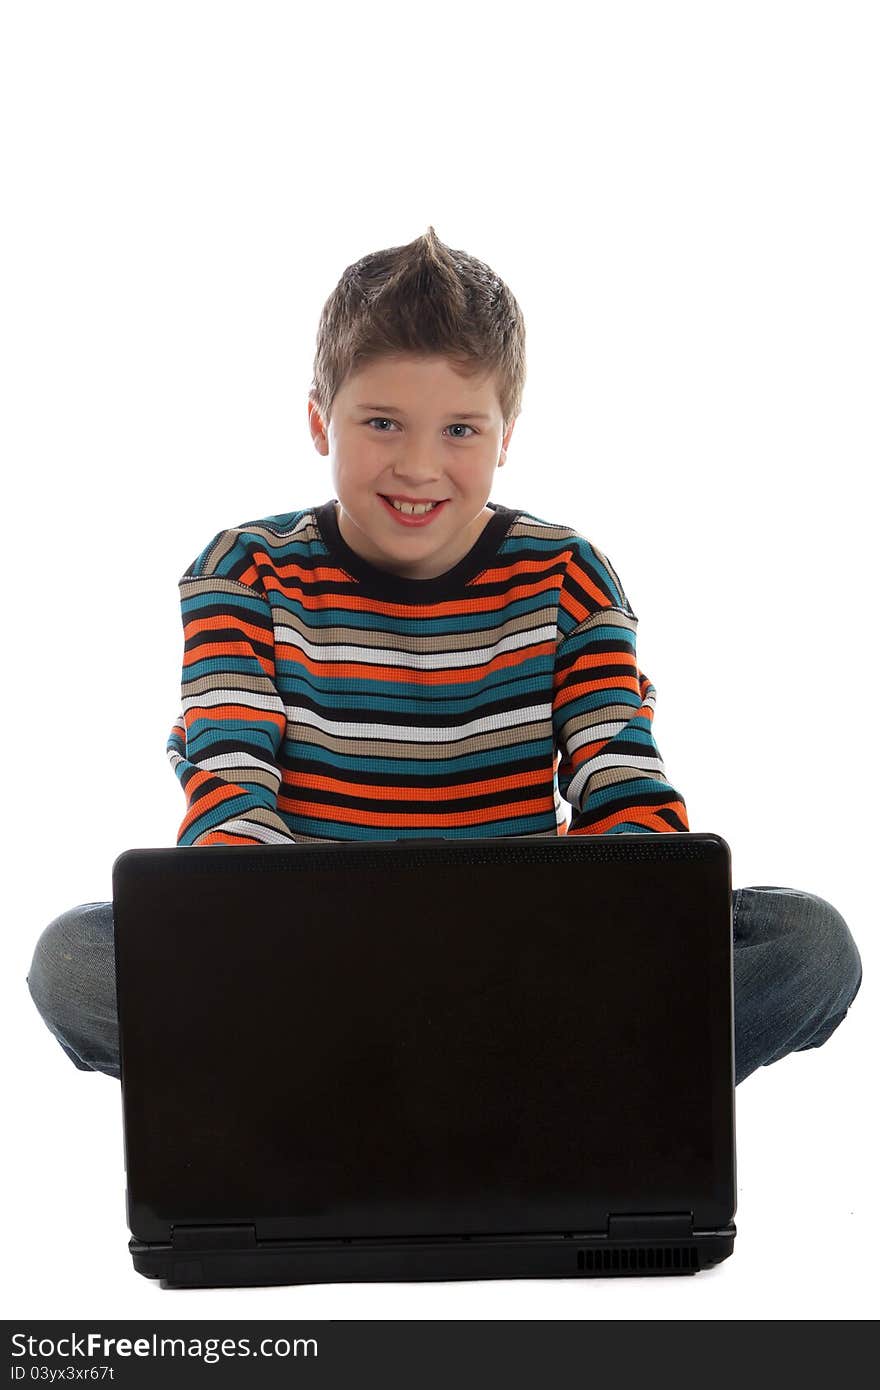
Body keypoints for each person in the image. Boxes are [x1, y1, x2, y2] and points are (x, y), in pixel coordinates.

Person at [27, 225, 862, 1085]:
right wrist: (334, 963)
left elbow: (624, 785)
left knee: (807, 945)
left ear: (507, 435)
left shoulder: (566, 578)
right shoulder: (245, 572)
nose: (420, 465)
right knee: (77, 960)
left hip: (523, 970)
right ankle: (483, 1094)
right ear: (321, 419)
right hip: (309, 967)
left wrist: (615, 927)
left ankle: (424, 1093)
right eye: (383, 422)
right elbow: (229, 797)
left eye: (460, 428)